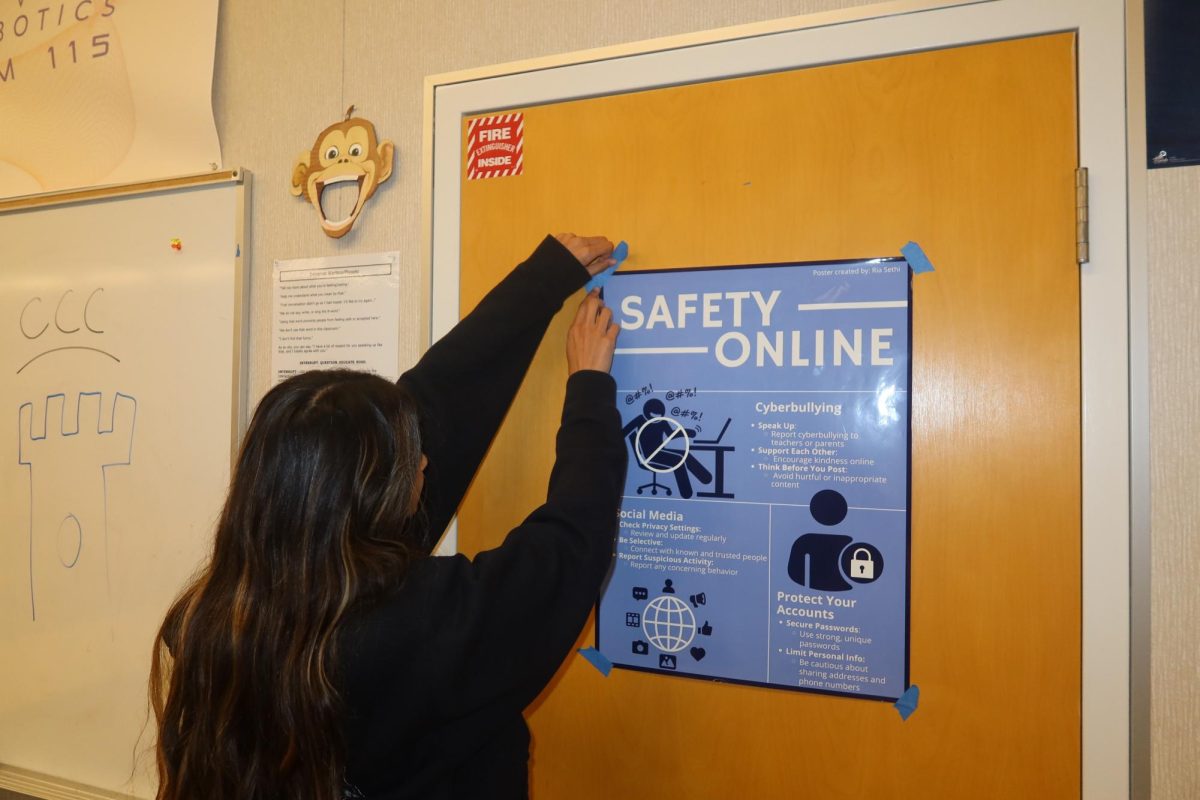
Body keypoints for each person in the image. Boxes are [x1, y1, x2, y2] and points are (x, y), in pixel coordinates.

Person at [149, 234, 627, 800]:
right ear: (366, 496)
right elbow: (566, 552)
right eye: (409, 458)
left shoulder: (212, 616)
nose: (426, 458)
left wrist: (543, 281)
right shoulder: (413, 625)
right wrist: (590, 391)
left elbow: (436, 401)